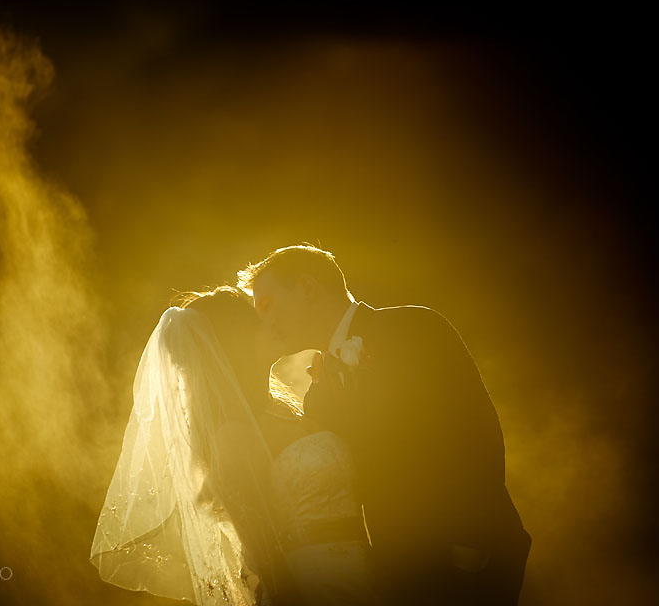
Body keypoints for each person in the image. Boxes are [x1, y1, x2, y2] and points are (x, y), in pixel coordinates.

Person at [237, 245, 532, 605]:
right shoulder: (317, 393)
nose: (263, 321)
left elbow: (475, 434)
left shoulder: (414, 327)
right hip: (397, 571)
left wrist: (469, 546)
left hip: (472, 557)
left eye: (267, 304)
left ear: (307, 287)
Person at [91, 287, 378, 606]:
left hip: (368, 572)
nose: (273, 325)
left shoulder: (286, 406)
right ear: (237, 342)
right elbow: (264, 557)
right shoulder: (233, 437)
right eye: (260, 323)